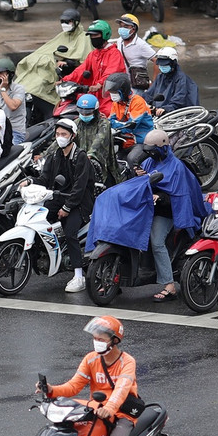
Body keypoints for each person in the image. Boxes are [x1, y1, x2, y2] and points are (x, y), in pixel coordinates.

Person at [37, 315, 141, 436]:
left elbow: (121, 390)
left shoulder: (127, 362)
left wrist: (110, 408)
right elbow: (74, 386)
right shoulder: (91, 359)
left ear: (114, 341)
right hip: (98, 409)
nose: (97, 342)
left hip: (122, 413)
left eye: (101, 339)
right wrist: (51, 390)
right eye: (95, 338)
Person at [135, 131, 210, 302]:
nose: (150, 154)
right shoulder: (148, 162)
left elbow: (179, 196)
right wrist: (137, 176)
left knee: (157, 241)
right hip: (149, 208)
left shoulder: (176, 167)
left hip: (167, 211)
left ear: (163, 147)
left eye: (153, 151)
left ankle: (169, 286)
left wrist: (160, 197)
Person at [38, 117, 95, 292]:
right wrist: (29, 182)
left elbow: (79, 187)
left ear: (73, 136)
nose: (60, 137)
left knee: (70, 233)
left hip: (79, 202)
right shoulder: (55, 155)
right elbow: (44, 178)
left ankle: (78, 276)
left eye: (64, 134)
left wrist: (67, 207)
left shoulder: (81, 157)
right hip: (58, 197)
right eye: (57, 134)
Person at [15, 8, 91, 123]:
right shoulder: (63, 35)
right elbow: (46, 50)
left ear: (76, 22)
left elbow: (85, 60)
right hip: (55, 66)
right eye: (63, 22)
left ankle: (49, 112)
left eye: (68, 22)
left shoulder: (84, 38)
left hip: (70, 71)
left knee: (41, 83)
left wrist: (68, 62)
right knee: (34, 71)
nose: (65, 25)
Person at [63, 20, 127, 100]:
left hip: (110, 97)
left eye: (96, 35)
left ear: (105, 35)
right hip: (94, 95)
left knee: (107, 111)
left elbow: (111, 73)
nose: (93, 38)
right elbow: (81, 70)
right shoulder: (93, 54)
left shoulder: (114, 53)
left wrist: (99, 84)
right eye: (91, 36)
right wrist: (65, 80)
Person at [74, 93, 118, 189]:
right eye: (82, 113)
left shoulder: (103, 124)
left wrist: (90, 155)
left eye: (88, 113)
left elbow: (99, 141)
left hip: (101, 165)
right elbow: (64, 139)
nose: (84, 115)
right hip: (79, 165)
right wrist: (44, 154)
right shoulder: (76, 123)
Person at [140, 46, 199, 115]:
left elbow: (179, 99)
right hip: (159, 113)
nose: (162, 67)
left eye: (165, 64)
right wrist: (143, 102)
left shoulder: (181, 78)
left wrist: (166, 108)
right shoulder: (160, 77)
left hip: (175, 115)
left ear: (173, 63)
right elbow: (149, 94)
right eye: (160, 64)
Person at [103, 72, 155, 144]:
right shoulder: (116, 102)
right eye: (110, 92)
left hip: (140, 139)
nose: (112, 95)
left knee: (132, 156)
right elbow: (111, 119)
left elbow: (129, 126)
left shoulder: (138, 102)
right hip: (123, 138)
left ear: (124, 91)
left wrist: (110, 123)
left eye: (114, 92)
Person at [113, 14, 156, 90]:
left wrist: (154, 82)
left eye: (126, 27)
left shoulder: (141, 45)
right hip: (123, 83)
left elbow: (157, 61)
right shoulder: (119, 41)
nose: (122, 29)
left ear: (134, 29)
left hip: (137, 85)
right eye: (121, 26)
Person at [0, 58, 27, 141]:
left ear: (10, 75)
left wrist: (2, 89)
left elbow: (13, 106)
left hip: (15, 132)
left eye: (0, 73)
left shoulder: (18, 89)